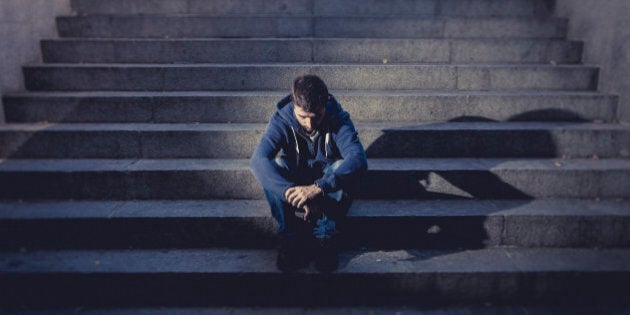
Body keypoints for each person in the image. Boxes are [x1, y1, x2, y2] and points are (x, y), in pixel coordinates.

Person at [250, 75, 368, 273]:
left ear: (326, 104)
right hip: (297, 180)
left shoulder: (338, 119)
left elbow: (358, 159)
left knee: (342, 166)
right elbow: (258, 160)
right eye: (302, 117)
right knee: (275, 164)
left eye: (317, 117)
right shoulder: (281, 119)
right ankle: (290, 238)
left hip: (325, 181)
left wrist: (318, 188)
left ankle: (325, 237)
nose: (309, 124)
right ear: (293, 104)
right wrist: (292, 193)